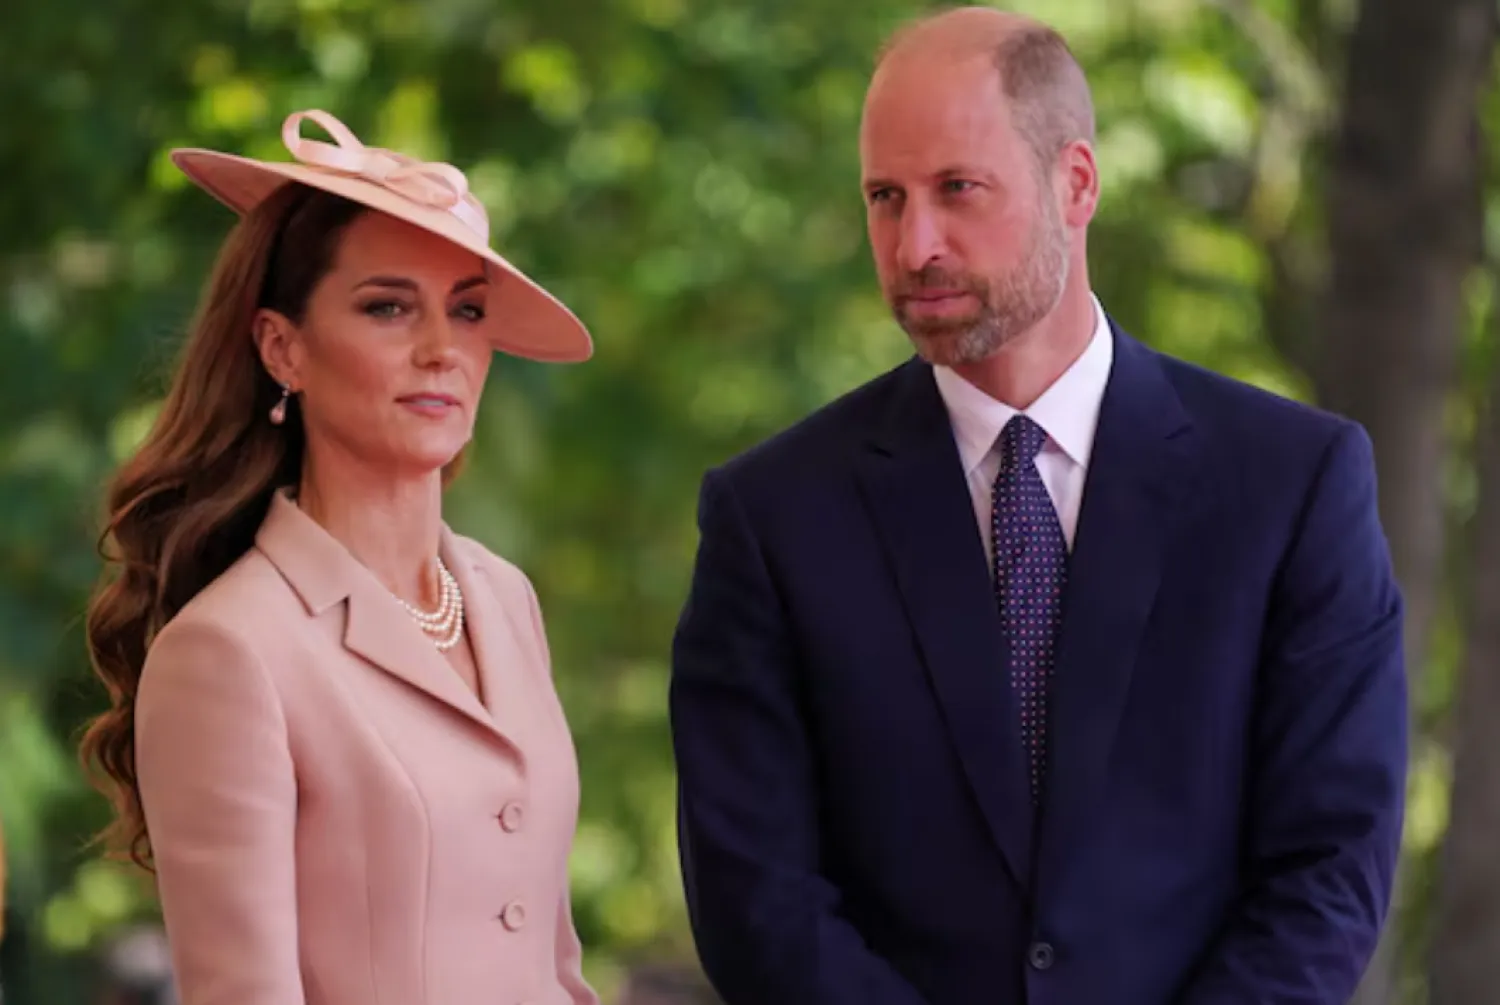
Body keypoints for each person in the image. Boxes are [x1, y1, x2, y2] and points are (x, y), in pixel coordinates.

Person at [668, 8, 1408, 1005]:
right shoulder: (772, 517)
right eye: (885, 198)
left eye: (957, 190)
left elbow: (1330, 866)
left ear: (1078, 183)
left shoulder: (1294, 484)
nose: (914, 242)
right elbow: (754, 898)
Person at [79, 108, 600, 1005]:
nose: (443, 349)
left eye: (467, 310)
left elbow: (554, 964)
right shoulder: (228, 651)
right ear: (283, 347)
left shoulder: (505, 598)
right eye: (389, 306)